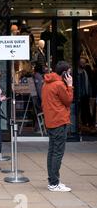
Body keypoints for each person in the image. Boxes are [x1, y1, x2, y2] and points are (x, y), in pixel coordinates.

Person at [42, 61, 74, 192]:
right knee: (58, 152)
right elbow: (68, 100)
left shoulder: (47, 83)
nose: (70, 75)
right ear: (65, 73)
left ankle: (52, 181)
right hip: (59, 121)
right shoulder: (60, 84)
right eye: (69, 72)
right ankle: (54, 182)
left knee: (52, 151)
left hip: (50, 121)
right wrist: (70, 85)